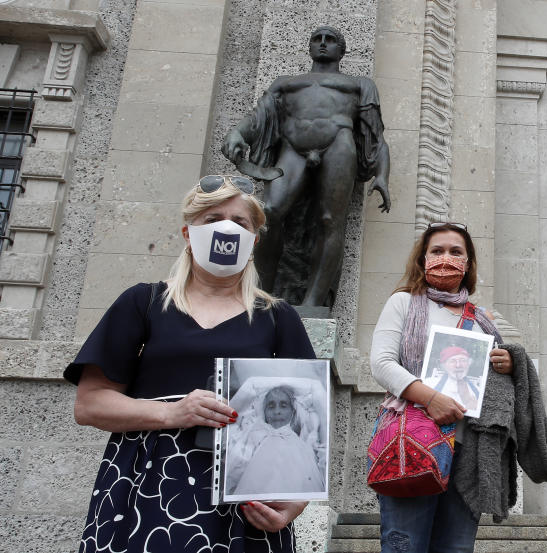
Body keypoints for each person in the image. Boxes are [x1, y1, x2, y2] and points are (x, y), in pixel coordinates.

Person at [64, 175, 317, 553]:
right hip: (147, 479)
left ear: (254, 241)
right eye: (213, 219)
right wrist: (172, 414)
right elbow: (90, 404)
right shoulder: (143, 302)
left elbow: (309, 419)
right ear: (188, 232)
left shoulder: (279, 317)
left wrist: (295, 501)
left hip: (245, 492)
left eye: (240, 222)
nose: (227, 228)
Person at [370, 222, 547, 553]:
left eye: (456, 252)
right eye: (437, 251)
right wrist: (430, 399)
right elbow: (382, 365)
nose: (446, 258)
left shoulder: (484, 319)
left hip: (469, 450)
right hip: (413, 443)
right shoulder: (403, 303)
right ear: (422, 259)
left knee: (457, 548)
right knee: (404, 545)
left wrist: (509, 365)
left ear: (469, 263)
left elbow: (498, 385)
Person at [222, 26, 391, 306]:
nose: (323, 44)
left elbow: (375, 137)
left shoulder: (359, 84)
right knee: (270, 213)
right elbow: (259, 116)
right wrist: (238, 133)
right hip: (293, 147)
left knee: (330, 221)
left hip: (338, 144)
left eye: (331, 40)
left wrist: (382, 175)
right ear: (310, 47)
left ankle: (313, 301)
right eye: (317, 39)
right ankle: (261, 293)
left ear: (342, 50)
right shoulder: (286, 83)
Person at [231, 386, 325, 496]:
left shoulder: (302, 447)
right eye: (271, 406)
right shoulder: (255, 437)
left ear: (292, 411)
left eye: (283, 406)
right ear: (264, 411)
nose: (277, 411)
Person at [422, 345, 481, 411]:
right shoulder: (428, 384)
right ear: (444, 365)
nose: (458, 365)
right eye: (452, 361)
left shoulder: (478, 391)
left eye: (463, 360)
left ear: (468, 364)